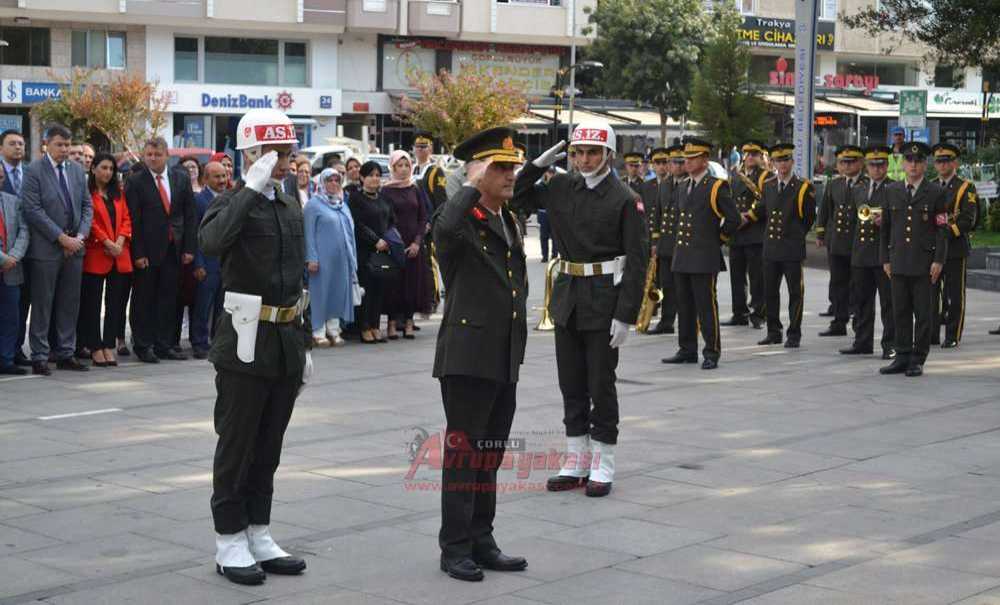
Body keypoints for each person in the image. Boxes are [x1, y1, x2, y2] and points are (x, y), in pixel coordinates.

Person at [199, 108, 310, 586]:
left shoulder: (289, 204)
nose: (282, 162)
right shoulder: (228, 202)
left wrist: (304, 345)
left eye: (286, 153)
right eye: (272, 153)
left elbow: (295, 277)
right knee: (238, 445)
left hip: (284, 337)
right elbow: (212, 242)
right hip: (245, 341)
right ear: (249, 154)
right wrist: (249, 187)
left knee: (269, 445)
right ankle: (228, 540)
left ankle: (258, 531)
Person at [513, 121, 647, 497]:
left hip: (605, 299)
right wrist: (535, 167)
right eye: (577, 153)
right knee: (571, 382)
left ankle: (603, 460)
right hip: (569, 295)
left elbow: (638, 260)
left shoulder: (624, 197)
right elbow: (517, 197)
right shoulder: (560, 186)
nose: (584, 160)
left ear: (609, 155)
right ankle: (576, 458)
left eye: (592, 153)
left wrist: (626, 314)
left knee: (600, 384)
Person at [432, 126, 529, 582]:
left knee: (489, 454)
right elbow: (443, 228)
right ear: (479, 171)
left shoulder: (509, 218)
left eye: (512, 167)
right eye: (501, 168)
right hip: (468, 356)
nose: (511, 175)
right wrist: (469, 182)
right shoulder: (461, 222)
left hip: (503, 354)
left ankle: (482, 538)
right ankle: (454, 547)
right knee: (464, 453)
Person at [663, 137, 740, 368]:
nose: (687, 162)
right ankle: (687, 349)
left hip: (704, 257)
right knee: (684, 305)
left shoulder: (716, 186)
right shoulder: (684, 185)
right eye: (685, 158)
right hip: (683, 256)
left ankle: (711, 351)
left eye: (692, 158)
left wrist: (718, 239)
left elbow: (733, 219)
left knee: (706, 306)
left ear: (705, 160)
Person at [21, 125, 92, 375]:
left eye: (67, 145)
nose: (64, 149)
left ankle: (66, 352)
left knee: (69, 303)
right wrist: (61, 238)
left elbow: (86, 206)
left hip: (75, 248)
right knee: (42, 303)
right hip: (46, 249)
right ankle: (40, 355)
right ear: (46, 145)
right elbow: (32, 210)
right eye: (59, 144)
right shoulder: (34, 170)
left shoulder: (76, 170)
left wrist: (81, 236)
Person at [879, 142, 948, 378]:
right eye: (909, 161)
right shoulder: (891, 191)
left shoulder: (936, 192)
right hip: (898, 261)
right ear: (903, 163)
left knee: (923, 314)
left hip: (923, 263)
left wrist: (938, 260)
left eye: (918, 161)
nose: (914, 165)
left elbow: (942, 229)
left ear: (925, 164)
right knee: (900, 311)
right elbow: (885, 229)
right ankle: (902, 355)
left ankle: (918, 358)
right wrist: (885, 259)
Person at [125, 137, 196, 363]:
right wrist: (138, 253)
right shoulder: (136, 181)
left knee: (168, 298)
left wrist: (188, 247)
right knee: (143, 299)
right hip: (147, 251)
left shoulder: (180, 178)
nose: (153, 159)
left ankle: (163, 344)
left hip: (173, 249)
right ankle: (143, 345)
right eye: (149, 155)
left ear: (167, 155)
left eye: (157, 155)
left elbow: (189, 215)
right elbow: (133, 220)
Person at [754, 143, 816, 348]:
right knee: (769, 292)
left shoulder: (803, 187)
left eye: (786, 160)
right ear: (772, 163)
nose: (782, 164)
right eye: (778, 160)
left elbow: (808, 218)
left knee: (795, 293)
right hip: (771, 248)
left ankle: (794, 334)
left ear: (792, 161)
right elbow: (762, 210)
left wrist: (795, 235)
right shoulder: (769, 185)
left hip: (791, 248)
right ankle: (773, 331)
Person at [78, 152, 132, 368]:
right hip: (97, 253)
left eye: (111, 169)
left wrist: (119, 242)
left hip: (119, 254)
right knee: (92, 304)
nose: (108, 172)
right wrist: (107, 242)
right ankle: (94, 346)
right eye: (103, 168)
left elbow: (127, 218)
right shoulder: (87, 193)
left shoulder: (118, 193)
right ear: (93, 169)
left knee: (115, 304)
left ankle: (108, 344)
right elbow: (88, 222)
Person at [841, 146, 895, 359]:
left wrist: (886, 222)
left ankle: (890, 344)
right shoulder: (859, 189)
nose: (876, 168)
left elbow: (899, 221)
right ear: (866, 166)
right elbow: (855, 222)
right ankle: (862, 341)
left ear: (887, 165)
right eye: (872, 164)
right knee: (862, 301)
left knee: (888, 303)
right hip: (862, 254)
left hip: (883, 254)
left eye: (881, 164)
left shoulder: (894, 188)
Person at [930, 143, 977, 349]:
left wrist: (945, 232)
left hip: (955, 247)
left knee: (955, 294)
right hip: (931, 249)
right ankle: (930, 333)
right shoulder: (930, 186)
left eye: (946, 161)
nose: (942, 165)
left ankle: (952, 334)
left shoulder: (965, 187)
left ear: (955, 163)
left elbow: (969, 219)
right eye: (939, 161)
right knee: (930, 294)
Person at [816, 145, 866, 337]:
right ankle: (838, 321)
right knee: (838, 283)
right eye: (843, 162)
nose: (847, 165)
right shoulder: (834, 184)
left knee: (857, 284)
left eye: (851, 161)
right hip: (836, 241)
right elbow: (825, 211)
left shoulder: (865, 183)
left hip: (857, 242)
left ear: (861, 163)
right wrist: (821, 234)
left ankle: (857, 322)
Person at [304, 169, 357, 347]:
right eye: (329, 180)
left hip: (341, 260)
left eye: (337, 180)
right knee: (320, 294)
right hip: (321, 260)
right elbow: (308, 233)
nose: (334, 183)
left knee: (337, 293)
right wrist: (311, 258)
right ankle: (318, 331)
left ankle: (334, 330)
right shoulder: (313, 204)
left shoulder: (342, 204)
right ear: (322, 182)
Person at [381, 150, 430, 340]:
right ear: (392, 168)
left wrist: (417, 242)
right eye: (399, 166)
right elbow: (384, 218)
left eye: (406, 165)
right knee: (394, 286)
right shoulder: (386, 190)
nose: (403, 170)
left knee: (412, 284)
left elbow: (423, 217)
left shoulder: (414, 188)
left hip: (414, 246)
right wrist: (395, 244)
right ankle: (392, 324)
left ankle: (409, 323)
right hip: (394, 245)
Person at [724, 140, 771, 329]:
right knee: (737, 276)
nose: (750, 157)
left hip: (755, 231)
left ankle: (759, 313)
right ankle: (739, 312)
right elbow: (729, 199)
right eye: (748, 154)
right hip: (737, 233)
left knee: (757, 277)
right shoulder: (736, 176)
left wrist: (749, 216)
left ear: (761, 157)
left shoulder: (765, 176)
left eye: (754, 154)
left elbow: (767, 201)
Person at [348, 161, 393, 344]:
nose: (375, 179)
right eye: (370, 175)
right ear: (361, 177)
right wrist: (375, 240)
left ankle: (375, 325)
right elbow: (357, 225)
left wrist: (389, 240)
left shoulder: (384, 199)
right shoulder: (355, 199)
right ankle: (364, 327)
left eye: (377, 175)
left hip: (383, 252)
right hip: (364, 251)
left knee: (379, 289)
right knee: (366, 290)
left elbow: (391, 222)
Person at [647, 144, 687, 335]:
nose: (676, 167)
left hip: (684, 245)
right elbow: (657, 214)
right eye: (673, 162)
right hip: (665, 244)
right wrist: (655, 242)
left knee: (684, 288)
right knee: (667, 285)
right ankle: (667, 321)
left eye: (680, 162)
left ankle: (689, 323)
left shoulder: (690, 184)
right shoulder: (664, 184)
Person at [191, 161, 228, 359]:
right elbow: (195, 233)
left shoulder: (230, 199)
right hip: (206, 263)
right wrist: (198, 263)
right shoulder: (199, 201)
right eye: (217, 176)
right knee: (203, 306)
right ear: (205, 179)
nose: (222, 180)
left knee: (222, 307)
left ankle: (217, 341)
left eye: (224, 176)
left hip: (226, 264)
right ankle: (199, 342)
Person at [1, 129, 31, 367]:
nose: (18, 147)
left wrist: (14, 256)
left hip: (20, 259)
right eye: (12, 143)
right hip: (6, 258)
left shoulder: (30, 174)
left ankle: (11, 353)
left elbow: (24, 226)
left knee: (17, 309)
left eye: (21, 143)